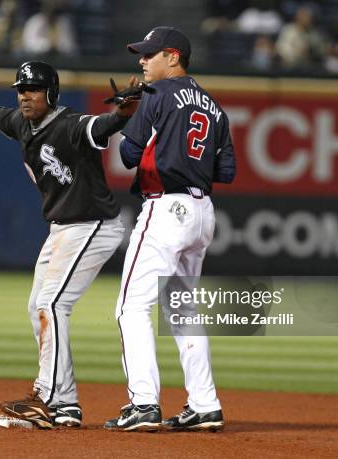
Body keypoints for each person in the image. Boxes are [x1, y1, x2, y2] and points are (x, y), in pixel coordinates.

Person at [0, 61, 138, 429]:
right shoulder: (21, 122)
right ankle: (65, 403)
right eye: (20, 89)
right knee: (38, 305)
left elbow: (103, 125)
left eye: (32, 90)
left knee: (52, 303)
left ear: (51, 93)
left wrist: (123, 113)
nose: (24, 96)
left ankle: (48, 399)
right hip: (62, 228)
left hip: (94, 224)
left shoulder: (70, 125)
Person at [103, 26, 236, 432]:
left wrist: (130, 114)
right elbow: (226, 171)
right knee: (181, 311)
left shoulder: (157, 95)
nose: (142, 60)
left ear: (173, 57)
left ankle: (143, 403)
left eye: (150, 54)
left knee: (131, 308)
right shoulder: (215, 108)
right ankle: (204, 404)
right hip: (202, 212)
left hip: (166, 209)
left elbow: (127, 154)